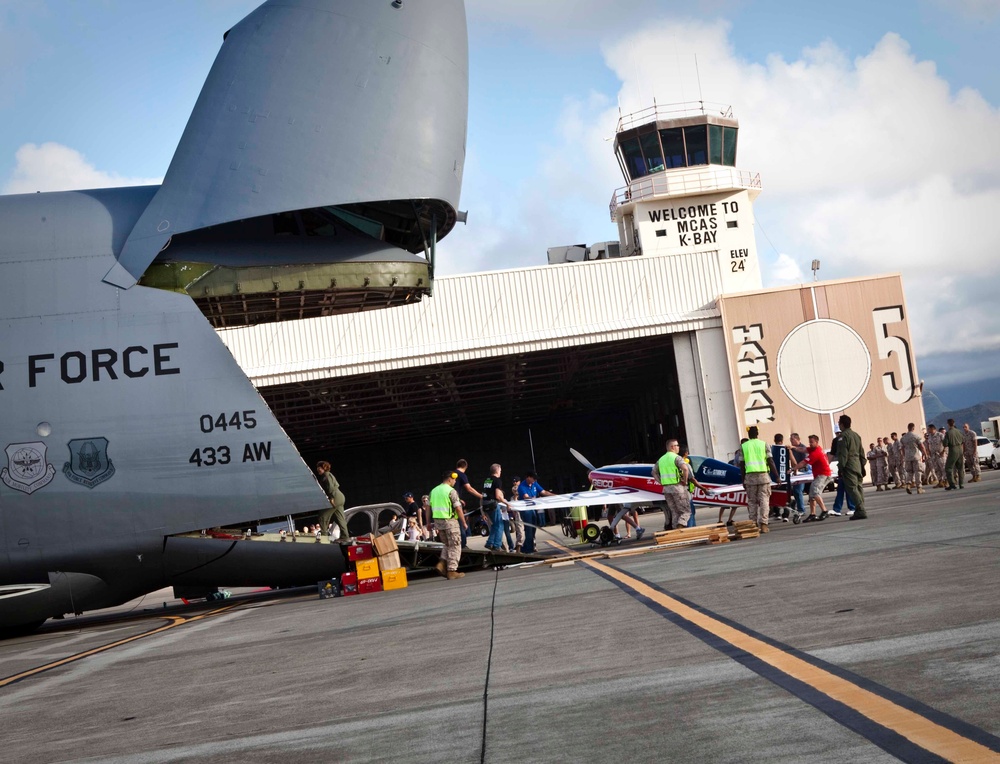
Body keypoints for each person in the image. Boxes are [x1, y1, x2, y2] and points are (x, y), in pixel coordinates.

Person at [654, 438, 707, 531]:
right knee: (686, 511)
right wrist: (685, 481)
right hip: (677, 488)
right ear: (672, 447)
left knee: (675, 511)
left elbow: (654, 472)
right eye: (677, 445)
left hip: (666, 489)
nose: (678, 447)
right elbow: (685, 469)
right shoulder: (676, 458)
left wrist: (661, 482)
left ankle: (675, 530)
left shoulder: (661, 459)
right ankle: (681, 525)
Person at [430, 471, 467, 580]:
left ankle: (442, 563)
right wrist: (464, 522)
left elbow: (428, 508)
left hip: (438, 523)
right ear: (450, 479)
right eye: (454, 480)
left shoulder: (434, 491)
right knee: (455, 545)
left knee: (447, 544)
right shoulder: (451, 491)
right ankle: (452, 571)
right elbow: (458, 508)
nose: (455, 482)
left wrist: (428, 522)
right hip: (450, 522)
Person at [738, 427, 776, 532]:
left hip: (750, 477)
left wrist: (743, 479)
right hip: (763, 476)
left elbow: (741, 465)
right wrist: (776, 476)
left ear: (749, 434)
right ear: (757, 434)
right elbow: (770, 461)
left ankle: (753, 524)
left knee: (752, 501)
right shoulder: (764, 444)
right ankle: (764, 524)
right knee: (764, 500)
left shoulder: (743, 446)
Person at [836, 414, 867, 520]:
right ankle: (860, 508)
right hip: (857, 464)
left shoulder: (843, 437)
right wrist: (863, 465)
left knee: (852, 488)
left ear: (842, 424)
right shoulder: (856, 435)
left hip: (849, 465)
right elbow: (861, 452)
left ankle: (860, 509)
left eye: (839, 423)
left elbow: (843, 454)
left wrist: (841, 467)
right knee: (859, 487)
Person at [517, 472, 556, 554]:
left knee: (533, 528)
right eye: (533, 478)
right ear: (528, 477)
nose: (535, 480)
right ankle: (528, 549)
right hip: (526, 510)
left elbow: (544, 492)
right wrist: (536, 499)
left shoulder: (534, 484)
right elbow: (526, 497)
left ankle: (527, 547)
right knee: (529, 529)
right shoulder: (522, 486)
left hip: (533, 509)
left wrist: (555, 496)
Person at [316, 461, 350, 544]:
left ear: (323, 467)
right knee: (340, 518)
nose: (318, 470)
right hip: (340, 497)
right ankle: (345, 536)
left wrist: (331, 498)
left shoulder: (326, 475)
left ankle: (324, 536)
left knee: (322, 516)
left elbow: (330, 487)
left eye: (319, 468)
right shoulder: (329, 474)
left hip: (335, 497)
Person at [801, 435, 832, 521]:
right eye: (809, 442)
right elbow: (803, 449)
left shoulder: (816, 453)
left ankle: (824, 511)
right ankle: (812, 514)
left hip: (823, 475)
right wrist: (792, 447)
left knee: (815, 492)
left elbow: (803, 463)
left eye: (812, 442)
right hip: (818, 475)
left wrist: (793, 468)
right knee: (811, 494)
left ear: (817, 442)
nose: (810, 444)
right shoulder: (813, 449)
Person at [770, 434, 799, 522]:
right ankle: (785, 515)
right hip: (785, 477)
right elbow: (794, 462)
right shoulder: (786, 449)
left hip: (774, 477)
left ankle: (777, 513)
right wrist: (794, 470)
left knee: (774, 494)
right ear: (782, 441)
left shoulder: (772, 450)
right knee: (787, 495)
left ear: (774, 440)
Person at [482, 463, 509, 551]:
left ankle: (490, 543)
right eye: (500, 470)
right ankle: (497, 545)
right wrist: (507, 503)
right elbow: (497, 496)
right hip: (492, 503)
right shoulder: (497, 481)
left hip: (485, 503)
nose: (500, 472)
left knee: (494, 525)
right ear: (497, 470)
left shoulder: (487, 480)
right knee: (500, 525)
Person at [900, 423, 927, 495]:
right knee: (918, 471)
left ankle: (908, 484)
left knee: (909, 472)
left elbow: (902, 448)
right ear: (913, 428)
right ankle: (919, 488)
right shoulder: (916, 436)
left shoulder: (903, 438)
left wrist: (904, 455)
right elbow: (921, 446)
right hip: (916, 456)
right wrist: (924, 454)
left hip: (908, 457)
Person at [789, 433, 809, 514]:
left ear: (797, 439)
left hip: (803, 471)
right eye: (790, 440)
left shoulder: (802, 448)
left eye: (792, 439)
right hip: (796, 471)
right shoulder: (792, 449)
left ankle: (801, 509)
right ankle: (797, 505)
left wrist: (797, 469)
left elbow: (804, 461)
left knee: (798, 490)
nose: (791, 441)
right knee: (795, 490)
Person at [944, 419, 964, 490]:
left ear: (948, 424)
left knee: (948, 468)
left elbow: (945, 444)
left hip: (953, 449)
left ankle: (952, 484)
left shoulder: (948, 433)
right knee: (960, 468)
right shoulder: (959, 431)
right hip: (960, 449)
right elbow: (963, 440)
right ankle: (961, 484)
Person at [508, 476, 525, 552]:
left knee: (529, 531)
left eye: (516, 481)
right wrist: (515, 496)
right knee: (520, 532)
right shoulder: (513, 498)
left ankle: (532, 545)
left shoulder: (524, 494)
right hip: (518, 516)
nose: (515, 483)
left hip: (526, 513)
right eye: (514, 482)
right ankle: (518, 546)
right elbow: (511, 507)